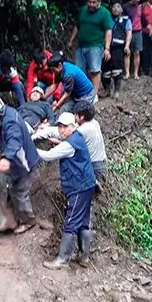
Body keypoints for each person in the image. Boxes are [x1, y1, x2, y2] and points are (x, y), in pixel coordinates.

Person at [39, 112, 98, 270]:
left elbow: (48, 156)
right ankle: (84, 256)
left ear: (73, 126)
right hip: (87, 185)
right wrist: (42, 134)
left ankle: (62, 259)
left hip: (78, 187)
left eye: (65, 127)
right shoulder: (77, 137)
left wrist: (30, 148)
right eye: (60, 126)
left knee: (71, 221)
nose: (62, 130)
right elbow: (54, 134)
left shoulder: (69, 144)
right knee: (84, 221)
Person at [0, 95, 41, 235]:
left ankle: (28, 221)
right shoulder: (2, 117)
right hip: (13, 161)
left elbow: (15, 140)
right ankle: (5, 220)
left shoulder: (10, 121)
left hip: (23, 163)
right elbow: (2, 134)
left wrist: (6, 158)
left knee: (19, 192)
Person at [68, 0, 113, 97]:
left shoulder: (104, 13)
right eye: (89, 2)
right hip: (81, 46)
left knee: (94, 70)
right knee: (80, 71)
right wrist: (71, 40)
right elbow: (77, 26)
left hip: (96, 45)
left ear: (99, 2)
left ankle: (94, 95)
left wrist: (107, 48)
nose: (91, 4)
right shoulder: (83, 11)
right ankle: (83, 93)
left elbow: (108, 31)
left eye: (94, 2)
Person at [102, 2, 132, 98]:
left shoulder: (126, 20)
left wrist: (127, 46)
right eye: (114, 6)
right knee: (105, 70)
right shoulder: (107, 18)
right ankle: (107, 90)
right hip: (106, 47)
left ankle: (117, 91)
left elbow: (129, 33)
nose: (115, 8)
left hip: (119, 47)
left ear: (121, 10)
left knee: (117, 70)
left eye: (118, 7)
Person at [122, 0, 143, 79]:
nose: (138, 0)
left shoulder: (140, 7)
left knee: (137, 52)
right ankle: (127, 73)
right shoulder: (125, 7)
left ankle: (135, 73)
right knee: (127, 52)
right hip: (127, 32)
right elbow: (122, 20)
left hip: (138, 32)